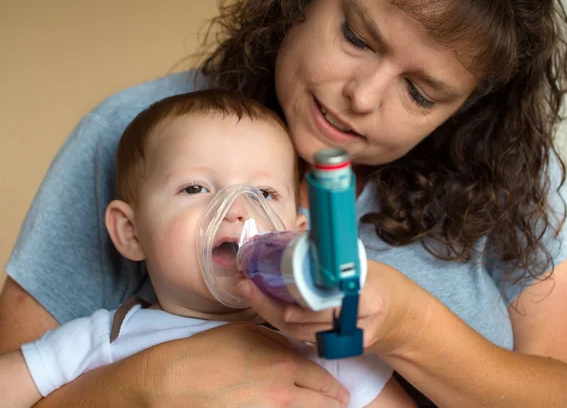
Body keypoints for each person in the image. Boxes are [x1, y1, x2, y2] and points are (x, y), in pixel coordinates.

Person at [1, 0, 567, 407]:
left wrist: (407, 326)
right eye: (357, 37)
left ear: (465, 110)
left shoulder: (507, 172)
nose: (362, 97)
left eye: (420, 93)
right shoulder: (140, 134)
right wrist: (138, 386)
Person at [0, 89, 417, 408]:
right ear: (131, 232)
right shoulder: (100, 340)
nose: (237, 210)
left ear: (300, 232)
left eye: (264, 192)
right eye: (196, 188)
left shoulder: (324, 343)